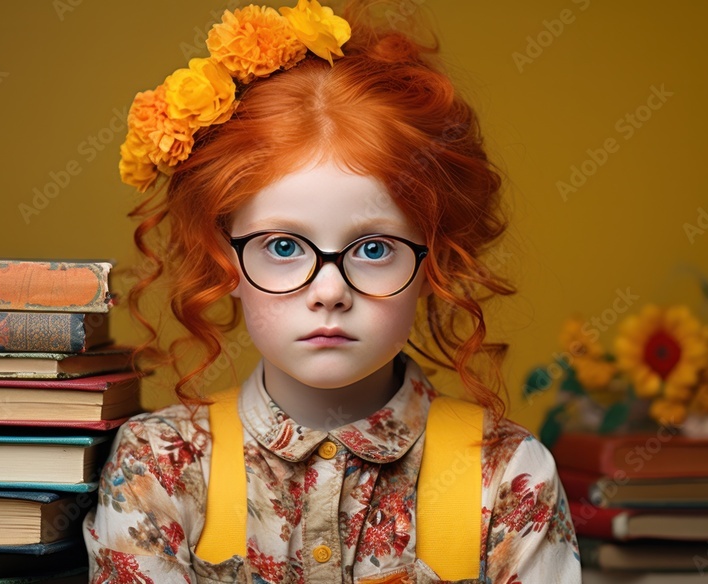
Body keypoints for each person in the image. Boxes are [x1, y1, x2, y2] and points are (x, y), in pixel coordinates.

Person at [83, 1, 581, 582]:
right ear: (225, 260)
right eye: (284, 246)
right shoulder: (162, 463)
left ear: (433, 265)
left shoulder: (506, 475)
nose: (329, 291)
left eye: (373, 249)